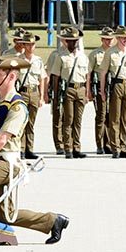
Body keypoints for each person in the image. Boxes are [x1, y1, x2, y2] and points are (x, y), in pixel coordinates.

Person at [0, 56, 69, 247]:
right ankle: (52, 221)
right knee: (5, 215)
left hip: (6, 163)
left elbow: (1, 140)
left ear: (11, 77)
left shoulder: (17, 106)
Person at [99, 26, 126, 159]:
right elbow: (103, 73)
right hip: (116, 85)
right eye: (123, 38)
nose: (125, 40)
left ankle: (123, 147)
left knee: (125, 119)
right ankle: (115, 147)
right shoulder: (110, 52)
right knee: (114, 118)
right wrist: (102, 91)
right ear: (117, 38)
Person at [51, 27, 88, 158]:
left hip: (81, 89)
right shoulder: (60, 57)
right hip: (68, 89)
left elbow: (87, 76)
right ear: (66, 41)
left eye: (76, 40)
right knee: (69, 119)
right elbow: (55, 77)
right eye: (71, 41)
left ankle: (77, 147)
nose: (74, 43)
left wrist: (87, 93)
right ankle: (68, 148)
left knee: (78, 120)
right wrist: (55, 95)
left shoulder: (83, 56)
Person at [15, 33, 45, 160]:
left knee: (31, 123)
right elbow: (14, 78)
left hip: (34, 92)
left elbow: (41, 78)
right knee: (22, 121)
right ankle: (20, 149)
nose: (31, 47)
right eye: (28, 44)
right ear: (24, 45)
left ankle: (29, 149)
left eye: (33, 44)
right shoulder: (18, 60)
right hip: (22, 92)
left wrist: (42, 96)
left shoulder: (38, 61)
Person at [86, 27, 114, 154]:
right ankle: (99, 144)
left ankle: (108, 144)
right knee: (101, 116)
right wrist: (89, 91)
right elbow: (89, 73)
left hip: (112, 87)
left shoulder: (115, 53)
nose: (109, 42)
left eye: (110, 39)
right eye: (106, 39)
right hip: (99, 88)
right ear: (102, 39)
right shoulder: (95, 54)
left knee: (110, 116)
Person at [45, 36, 66, 155]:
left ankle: (68, 142)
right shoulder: (55, 55)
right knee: (58, 117)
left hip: (70, 88)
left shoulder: (77, 53)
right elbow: (48, 73)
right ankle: (59, 144)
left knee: (69, 118)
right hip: (57, 88)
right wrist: (47, 92)